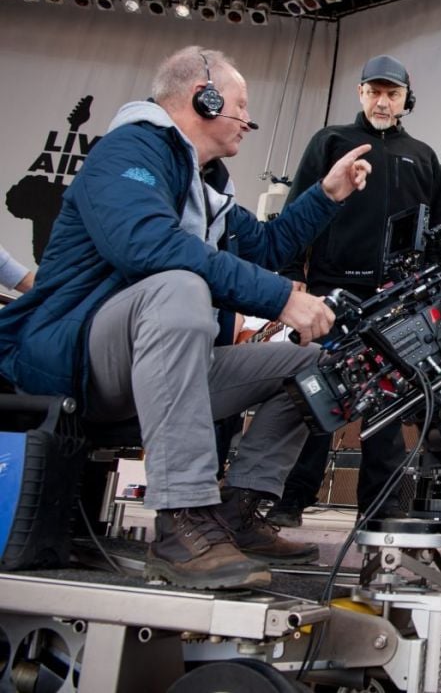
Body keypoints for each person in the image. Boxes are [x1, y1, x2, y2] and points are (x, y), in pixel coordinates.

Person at [0, 46, 373, 590]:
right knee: (178, 287)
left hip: (159, 365)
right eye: (240, 105)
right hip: (72, 360)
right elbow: (145, 245)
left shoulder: (207, 190)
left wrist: (327, 194)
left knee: (311, 366)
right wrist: (281, 299)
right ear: (206, 97)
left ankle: (235, 516)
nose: (249, 120)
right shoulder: (127, 150)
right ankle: (183, 521)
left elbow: (267, 246)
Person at [270, 54, 441, 527]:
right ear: (360, 94)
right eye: (374, 91)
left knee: (390, 401)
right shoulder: (331, 141)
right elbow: (296, 213)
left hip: (398, 299)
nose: (382, 101)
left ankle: (382, 507)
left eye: (392, 93)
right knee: (317, 393)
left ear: (406, 99)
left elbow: (439, 233)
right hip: (331, 290)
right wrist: (293, 275)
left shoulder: (425, 157)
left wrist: (431, 292)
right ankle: (290, 502)